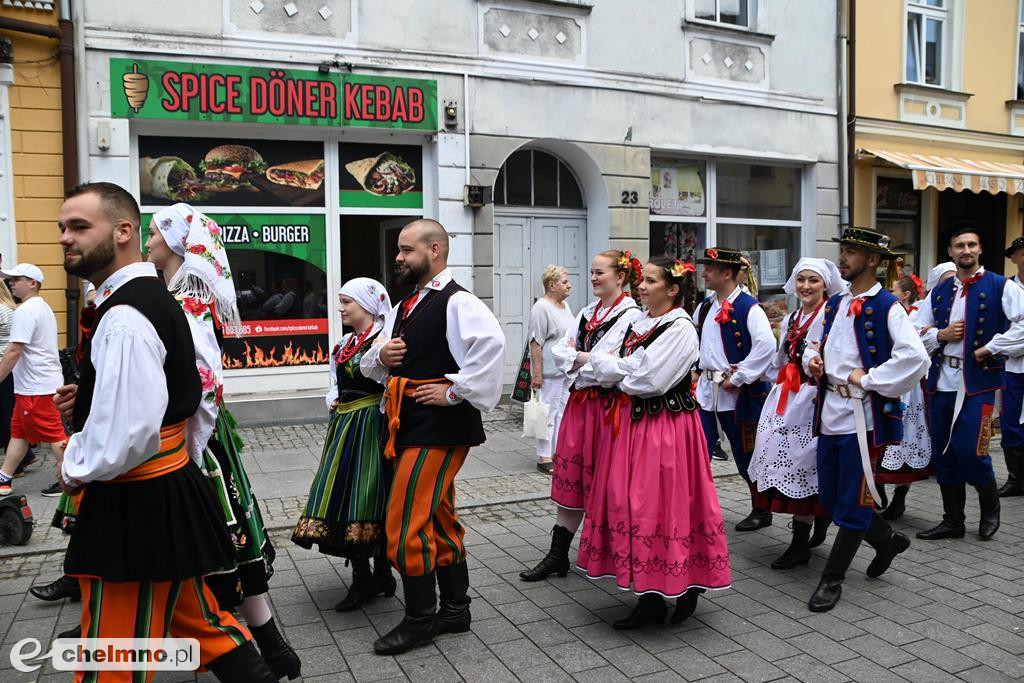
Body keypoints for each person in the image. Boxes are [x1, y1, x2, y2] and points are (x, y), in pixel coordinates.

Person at [55, 182, 276, 681]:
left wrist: (73, 464)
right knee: (202, 627)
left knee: (111, 657)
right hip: (162, 491)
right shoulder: (147, 298)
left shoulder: (127, 315)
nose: (66, 238)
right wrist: (90, 395)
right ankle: (273, 664)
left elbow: (130, 432)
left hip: (136, 500)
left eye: (80, 227)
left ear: (123, 231)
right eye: (63, 228)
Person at [147, 203, 300, 679]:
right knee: (229, 548)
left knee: (213, 548)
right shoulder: (174, 294)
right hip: (198, 437)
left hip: (194, 439)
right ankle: (272, 651)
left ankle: (254, 657)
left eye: (154, 234)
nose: (149, 242)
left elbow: (204, 382)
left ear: (174, 244)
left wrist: (187, 448)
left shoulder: (185, 303)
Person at [360, 219, 504, 655]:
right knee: (438, 516)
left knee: (404, 523)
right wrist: (381, 354)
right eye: (399, 251)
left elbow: (492, 348)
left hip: (438, 429)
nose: (398, 257)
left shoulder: (459, 302)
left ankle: (421, 618)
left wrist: (454, 390)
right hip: (409, 422)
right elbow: (373, 361)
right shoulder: (407, 305)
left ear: (435, 250)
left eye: (406, 250)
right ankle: (456, 609)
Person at [580, 257, 730, 628]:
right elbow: (602, 358)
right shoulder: (637, 320)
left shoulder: (680, 328)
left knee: (663, 505)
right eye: (641, 280)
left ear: (673, 289)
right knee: (631, 503)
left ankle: (676, 586)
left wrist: (615, 371)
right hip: (632, 427)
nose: (641, 287)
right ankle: (648, 592)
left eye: (649, 281)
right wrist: (618, 368)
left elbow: (649, 380)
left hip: (666, 429)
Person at [805, 227, 929, 613]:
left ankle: (833, 578)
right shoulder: (835, 302)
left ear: (873, 260)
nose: (843, 258)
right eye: (842, 250)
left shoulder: (887, 305)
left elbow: (915, 358)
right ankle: (888, 540)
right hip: (829, 414)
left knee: (854, 505)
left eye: (852, 252)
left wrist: (870, 379)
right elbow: (812, 340)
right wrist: (813, 359)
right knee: (829, 497)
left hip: (864, 418)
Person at [518, 250, 642, 583]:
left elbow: (615, 367)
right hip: (580, 405)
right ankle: (558, 555)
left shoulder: (632, 316)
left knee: (608, 485)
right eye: (592, 272)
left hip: (609, 410)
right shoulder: (587, 312)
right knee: (572, 479)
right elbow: (561, 353)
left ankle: (616, 555)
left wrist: (583, 359)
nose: (593, 278)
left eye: (600, 272)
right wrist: (590, 359)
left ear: (620, 276)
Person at [913, 223, 1024, 541]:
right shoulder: (940, 290)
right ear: (950, 251)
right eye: (959, 245)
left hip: (979, 383)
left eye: (971, 245)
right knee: (943, 454)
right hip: (941, 382)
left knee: (972, 452)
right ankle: (953, 521)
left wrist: (992, 347)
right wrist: (939, 335)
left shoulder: (1000, 285)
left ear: (979, 249)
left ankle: (990, 509)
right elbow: (914, 328)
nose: (966, 250)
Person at [292, 277, 395, 614]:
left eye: (347, 302)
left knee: (370, 494)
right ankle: (365, 575)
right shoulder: (343, 344)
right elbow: (334, 381)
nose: (341, 308)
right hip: (345, 427)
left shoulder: (384, 342)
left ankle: (379, 572)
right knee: (345, 495)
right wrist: (334, 399)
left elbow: (391, 385)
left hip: (371, 427)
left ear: (367, 305)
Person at [747, 258, 844, 570]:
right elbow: (779, 358)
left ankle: (802, 542)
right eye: (801, 279)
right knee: (788, 462)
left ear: (825, 285)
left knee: (808, 465)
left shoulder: (831, 316)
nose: (805, 286)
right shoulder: (793, 317)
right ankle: (811, 528)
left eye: (813, 281)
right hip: (788, 398)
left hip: (815, 399)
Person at [694, 248, 776, 531]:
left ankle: (761, 508)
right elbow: (697, 340)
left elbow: (767, 345)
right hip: (706, 392)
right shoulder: (705, 306)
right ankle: (696, 508)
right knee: (698, 450)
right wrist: (695, 370)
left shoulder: (748, 307)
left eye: (709, 269)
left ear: (726, 273)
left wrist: (739, 376)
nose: (704, 273)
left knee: (745, 456)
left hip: (738, 396)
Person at [0, 263, 67, 496]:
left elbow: (14, 351)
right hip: (35, 386)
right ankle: (4, 479)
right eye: (10, 279)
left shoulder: (25, 311)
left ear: (33, 283)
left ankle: (71, 480)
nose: (11, 283)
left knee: (55, 434)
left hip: (36, 388)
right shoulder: (41, 307)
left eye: (17, 279)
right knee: (18, 433)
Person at [875, 274, 933, 521]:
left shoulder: (916, 317)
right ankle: (877, 486)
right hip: (885, 381)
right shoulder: (886, 312)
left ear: (906, 294)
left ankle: (900, 496)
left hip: (910, 386)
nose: (890, 292)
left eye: (894, 289)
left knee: (907, 436)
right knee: (881, 434)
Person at [528, 265, 575, 473]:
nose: (569, 285)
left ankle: (558, 452)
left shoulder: (565, 306)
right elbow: (536, 342)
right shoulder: (541, 308)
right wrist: (537, 373)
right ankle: (544, 456)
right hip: (548, 371)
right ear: (552, 285)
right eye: (565, 282)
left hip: (565, 370)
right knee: (546, 413)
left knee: (563, 413)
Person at [998, 236, 1024, 497]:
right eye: (1022, 253)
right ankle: (1016, 478)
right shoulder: (1004, 290)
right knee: (1010, 420)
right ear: (1014, 257)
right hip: (1012, 366)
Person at [0, 280, 16, 460]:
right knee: (9, 412)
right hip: (10, 366)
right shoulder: (9, 309)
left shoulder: (1, 310)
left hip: (3, 365)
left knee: (6, 413)